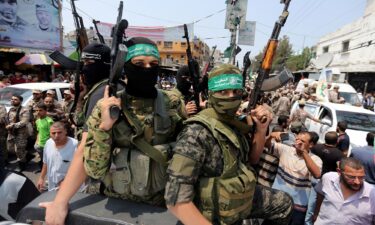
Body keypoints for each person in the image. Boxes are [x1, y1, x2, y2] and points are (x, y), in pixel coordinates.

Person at [39, 38, 181, 224]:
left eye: (153, 63)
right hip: (113, 205)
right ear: (125, 65)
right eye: (139, 63)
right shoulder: (107, 105)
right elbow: (92, 167)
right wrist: (104, 127)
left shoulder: (172, 103)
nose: (147, 68)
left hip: (160, 208)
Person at [165, 64, 293, 225]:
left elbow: (252, 160)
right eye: (223, 92)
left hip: (235, 200)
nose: (230, 97)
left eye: (236, 92)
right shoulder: (196, 133)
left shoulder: (234, 124)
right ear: (211, 94)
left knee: (284, 204)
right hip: (210, 211)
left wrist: (261, 129)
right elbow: (175, 199)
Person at [267, 131, 322, 225]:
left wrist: (304, 152)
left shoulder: (316, 159)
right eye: (297, 139)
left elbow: (317, 174)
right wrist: (270, 136)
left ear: (311, 145)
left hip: (297, 207)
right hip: (277, 200)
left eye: (303, 141)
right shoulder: (285, 150)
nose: (298, 142)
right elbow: (266, 145)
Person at [313, 157, 375, 225]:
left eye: (361, 177)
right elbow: (320, 195)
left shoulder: (372, 194)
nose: (357, 182)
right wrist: (316, 214)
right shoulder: (328, 178)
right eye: (351, 177)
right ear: (339, 172)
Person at [37, 122, 78, 192]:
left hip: (71, 187)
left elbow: (79, 169)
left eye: (59, 132)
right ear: (50, 133)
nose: (56, 136)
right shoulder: (48, 143)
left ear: (65, 132)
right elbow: (45, 163)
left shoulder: (75, 145)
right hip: (52, 186)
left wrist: (65, 181)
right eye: (53, 133)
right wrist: (41, 178)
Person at [6, 95, 30, 171]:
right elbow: (8, 119)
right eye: (12, 99)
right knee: (11, 149)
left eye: (15, 99)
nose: (13, 100)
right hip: (12, 133)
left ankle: (22, 165)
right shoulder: (11, 109)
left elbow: (24, 121)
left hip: (21, 133)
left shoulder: (24, 110)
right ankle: (27, 155)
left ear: (20, 101)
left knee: (19, 150)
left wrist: (13, 125)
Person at [34, 103, 54, 172]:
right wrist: (37, 142)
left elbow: (52, 134)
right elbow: (39, 132)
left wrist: (48, 145)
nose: (38, 112)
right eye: (36, 110)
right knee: (43, 160)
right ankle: (43, 170)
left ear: (46, 111)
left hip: (47, 145)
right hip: (40, 145)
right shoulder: (37, 121)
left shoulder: (49, 121)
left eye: (40, 110)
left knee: (49, 161)